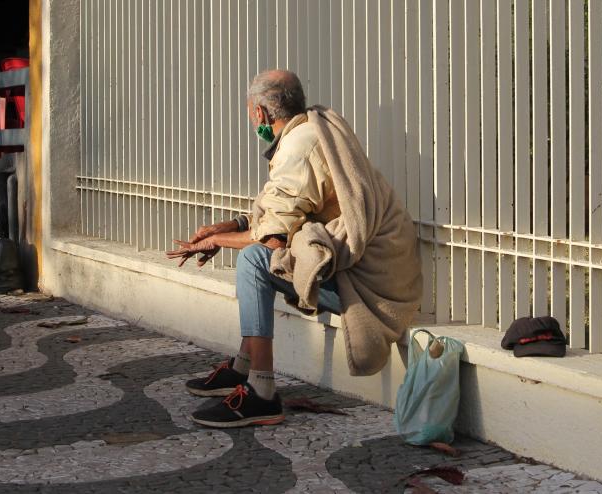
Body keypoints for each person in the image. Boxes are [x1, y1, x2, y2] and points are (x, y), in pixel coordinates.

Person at [166, 69, 421, 429]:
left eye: (250, 111)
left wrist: (214, 241)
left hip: (367, 289)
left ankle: (262, 392)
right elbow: (287, 209)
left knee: (255, 261)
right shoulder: (312, 130)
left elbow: (272, 240)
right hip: (380, 272)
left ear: (260, 114)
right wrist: (234, 225)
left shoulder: (299, 148)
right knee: (261, 254)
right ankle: (242, 368)